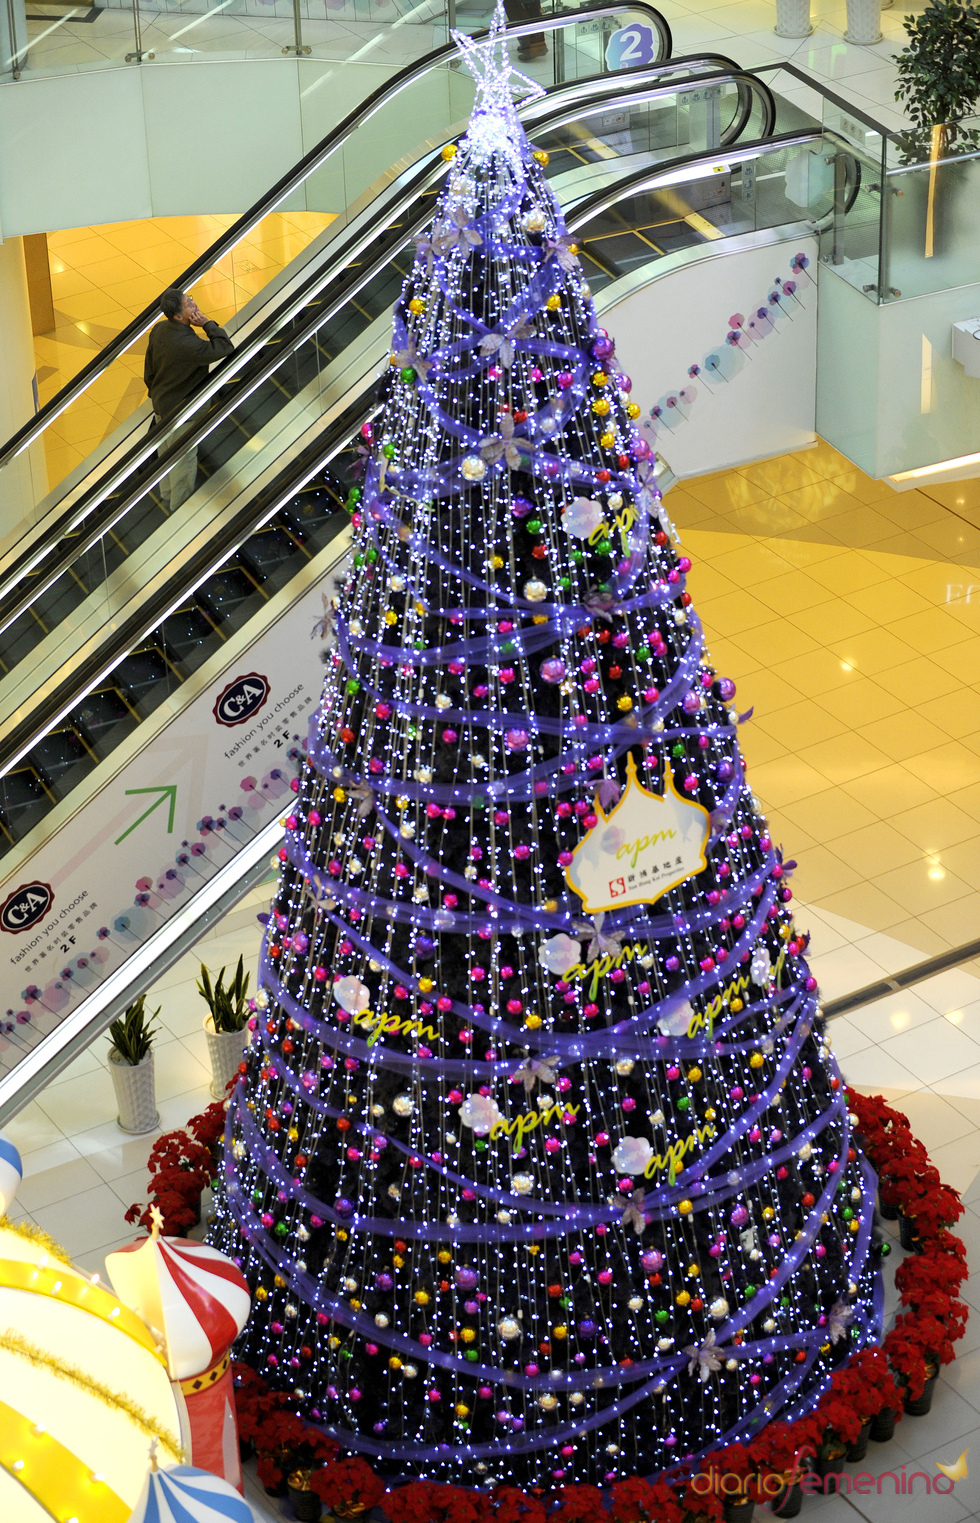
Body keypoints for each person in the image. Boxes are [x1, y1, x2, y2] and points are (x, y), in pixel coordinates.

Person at [144, 288, 234, 510]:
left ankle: (166, 497)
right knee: (183, 462)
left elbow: (149, 369)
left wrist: (155, 393)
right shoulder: (188, 344)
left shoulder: (159, 330)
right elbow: (224, 347)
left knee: (165, 455)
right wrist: (206, 324)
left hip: (162, 406)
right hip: (183, 412)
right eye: (188, 304)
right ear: (178, 316)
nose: (194, 305)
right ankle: (179, 511)